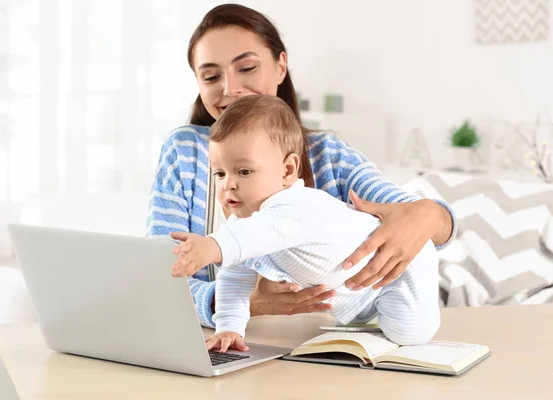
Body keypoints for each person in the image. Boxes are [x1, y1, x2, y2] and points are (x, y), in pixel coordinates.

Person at [147, 3, 456, 329]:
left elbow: (425, 225)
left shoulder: (329, 156)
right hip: (230, 338)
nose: (230, 88)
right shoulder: (184, 152)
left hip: (322, 341)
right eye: (211, 75)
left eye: (247, 68)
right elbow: (160, 281)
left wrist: (429, 214)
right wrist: (244, 304)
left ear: (281, 66)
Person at [169, 94, 440, 352]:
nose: (228, 184)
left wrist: (210, 247)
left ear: (287, 170)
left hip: (401, 268)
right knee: (358, 333)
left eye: (244, 171)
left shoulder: (296, 206)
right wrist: (229, 328)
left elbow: (254, 235)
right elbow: (234, 278)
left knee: (409, 334)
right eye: (219, 173)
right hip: (357, 296)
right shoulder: (244, 228)